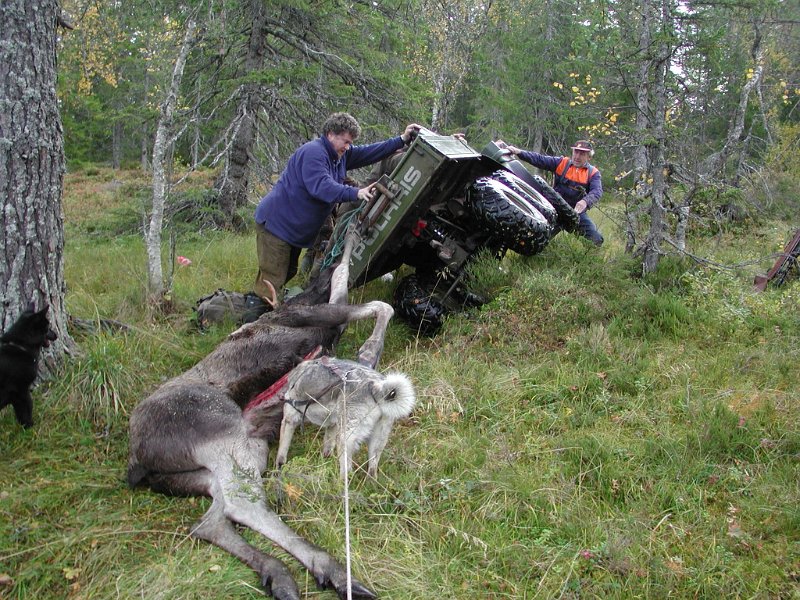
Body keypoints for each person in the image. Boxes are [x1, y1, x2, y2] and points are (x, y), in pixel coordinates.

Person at [253, 113, 421, 302]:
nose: (348, 147)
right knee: (271, 282)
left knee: (287, 272)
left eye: (350, 143)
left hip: (291, 230)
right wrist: (355, 193)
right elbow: (321, 187)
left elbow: (369, 152)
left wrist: (401, 140)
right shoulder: (314, 153)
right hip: (277, 226)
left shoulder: (339, 155)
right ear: (331, 134)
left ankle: (268, 311)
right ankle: (255, 319)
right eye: (346, 141)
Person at [499, 139, 604, 246]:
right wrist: (519, 152)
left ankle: (584, 260)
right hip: (555, 210)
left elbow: (597, 191)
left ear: (589, 157)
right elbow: (539, 159)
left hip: (576, 213)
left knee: (596, 240)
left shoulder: (593, 173)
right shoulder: (562, 163)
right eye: (576, 152)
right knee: (537, 242)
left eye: (582, 153)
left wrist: (585, 202)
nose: (577, 156)